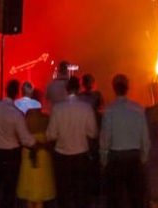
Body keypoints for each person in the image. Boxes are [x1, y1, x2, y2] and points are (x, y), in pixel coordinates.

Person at [0, 79, 37, 208]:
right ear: (17, 93)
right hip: (12, 154)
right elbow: (25, 139)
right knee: (9, 190)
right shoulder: (16, 114)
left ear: (5, 89)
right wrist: (37, 144)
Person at [46, 76, 97, 208]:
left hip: (62, 157)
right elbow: (93, 133)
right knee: (81, 194)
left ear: (66, 89)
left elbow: (50, 135)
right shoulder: (86, 108)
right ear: (79, 88)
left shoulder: (57, 108)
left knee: (63, 195)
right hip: (81, 156)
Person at [100, 74, 149, 208]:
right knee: (136, 198)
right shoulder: (138, 109)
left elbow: (105, 138)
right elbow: (144, 136)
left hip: (116, 158)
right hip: (134, 157)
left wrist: (104, 160)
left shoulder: (109, 110)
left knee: (115, 199)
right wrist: (143, 158)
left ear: (114, 88)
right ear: (128, 88)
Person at [17, 107, 54, 208]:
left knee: (29, 185)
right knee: (41, 186)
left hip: (28, 154)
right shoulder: (46, 120)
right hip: (43, 155)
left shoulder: (24, 122)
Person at [78, 72, 104, 200]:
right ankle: (95, 191)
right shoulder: (97, 96)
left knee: (84, 163)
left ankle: (85, 191)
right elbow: (100, 109)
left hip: (82, 133)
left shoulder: (79, 97)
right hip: (94, 131)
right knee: (95, 162)